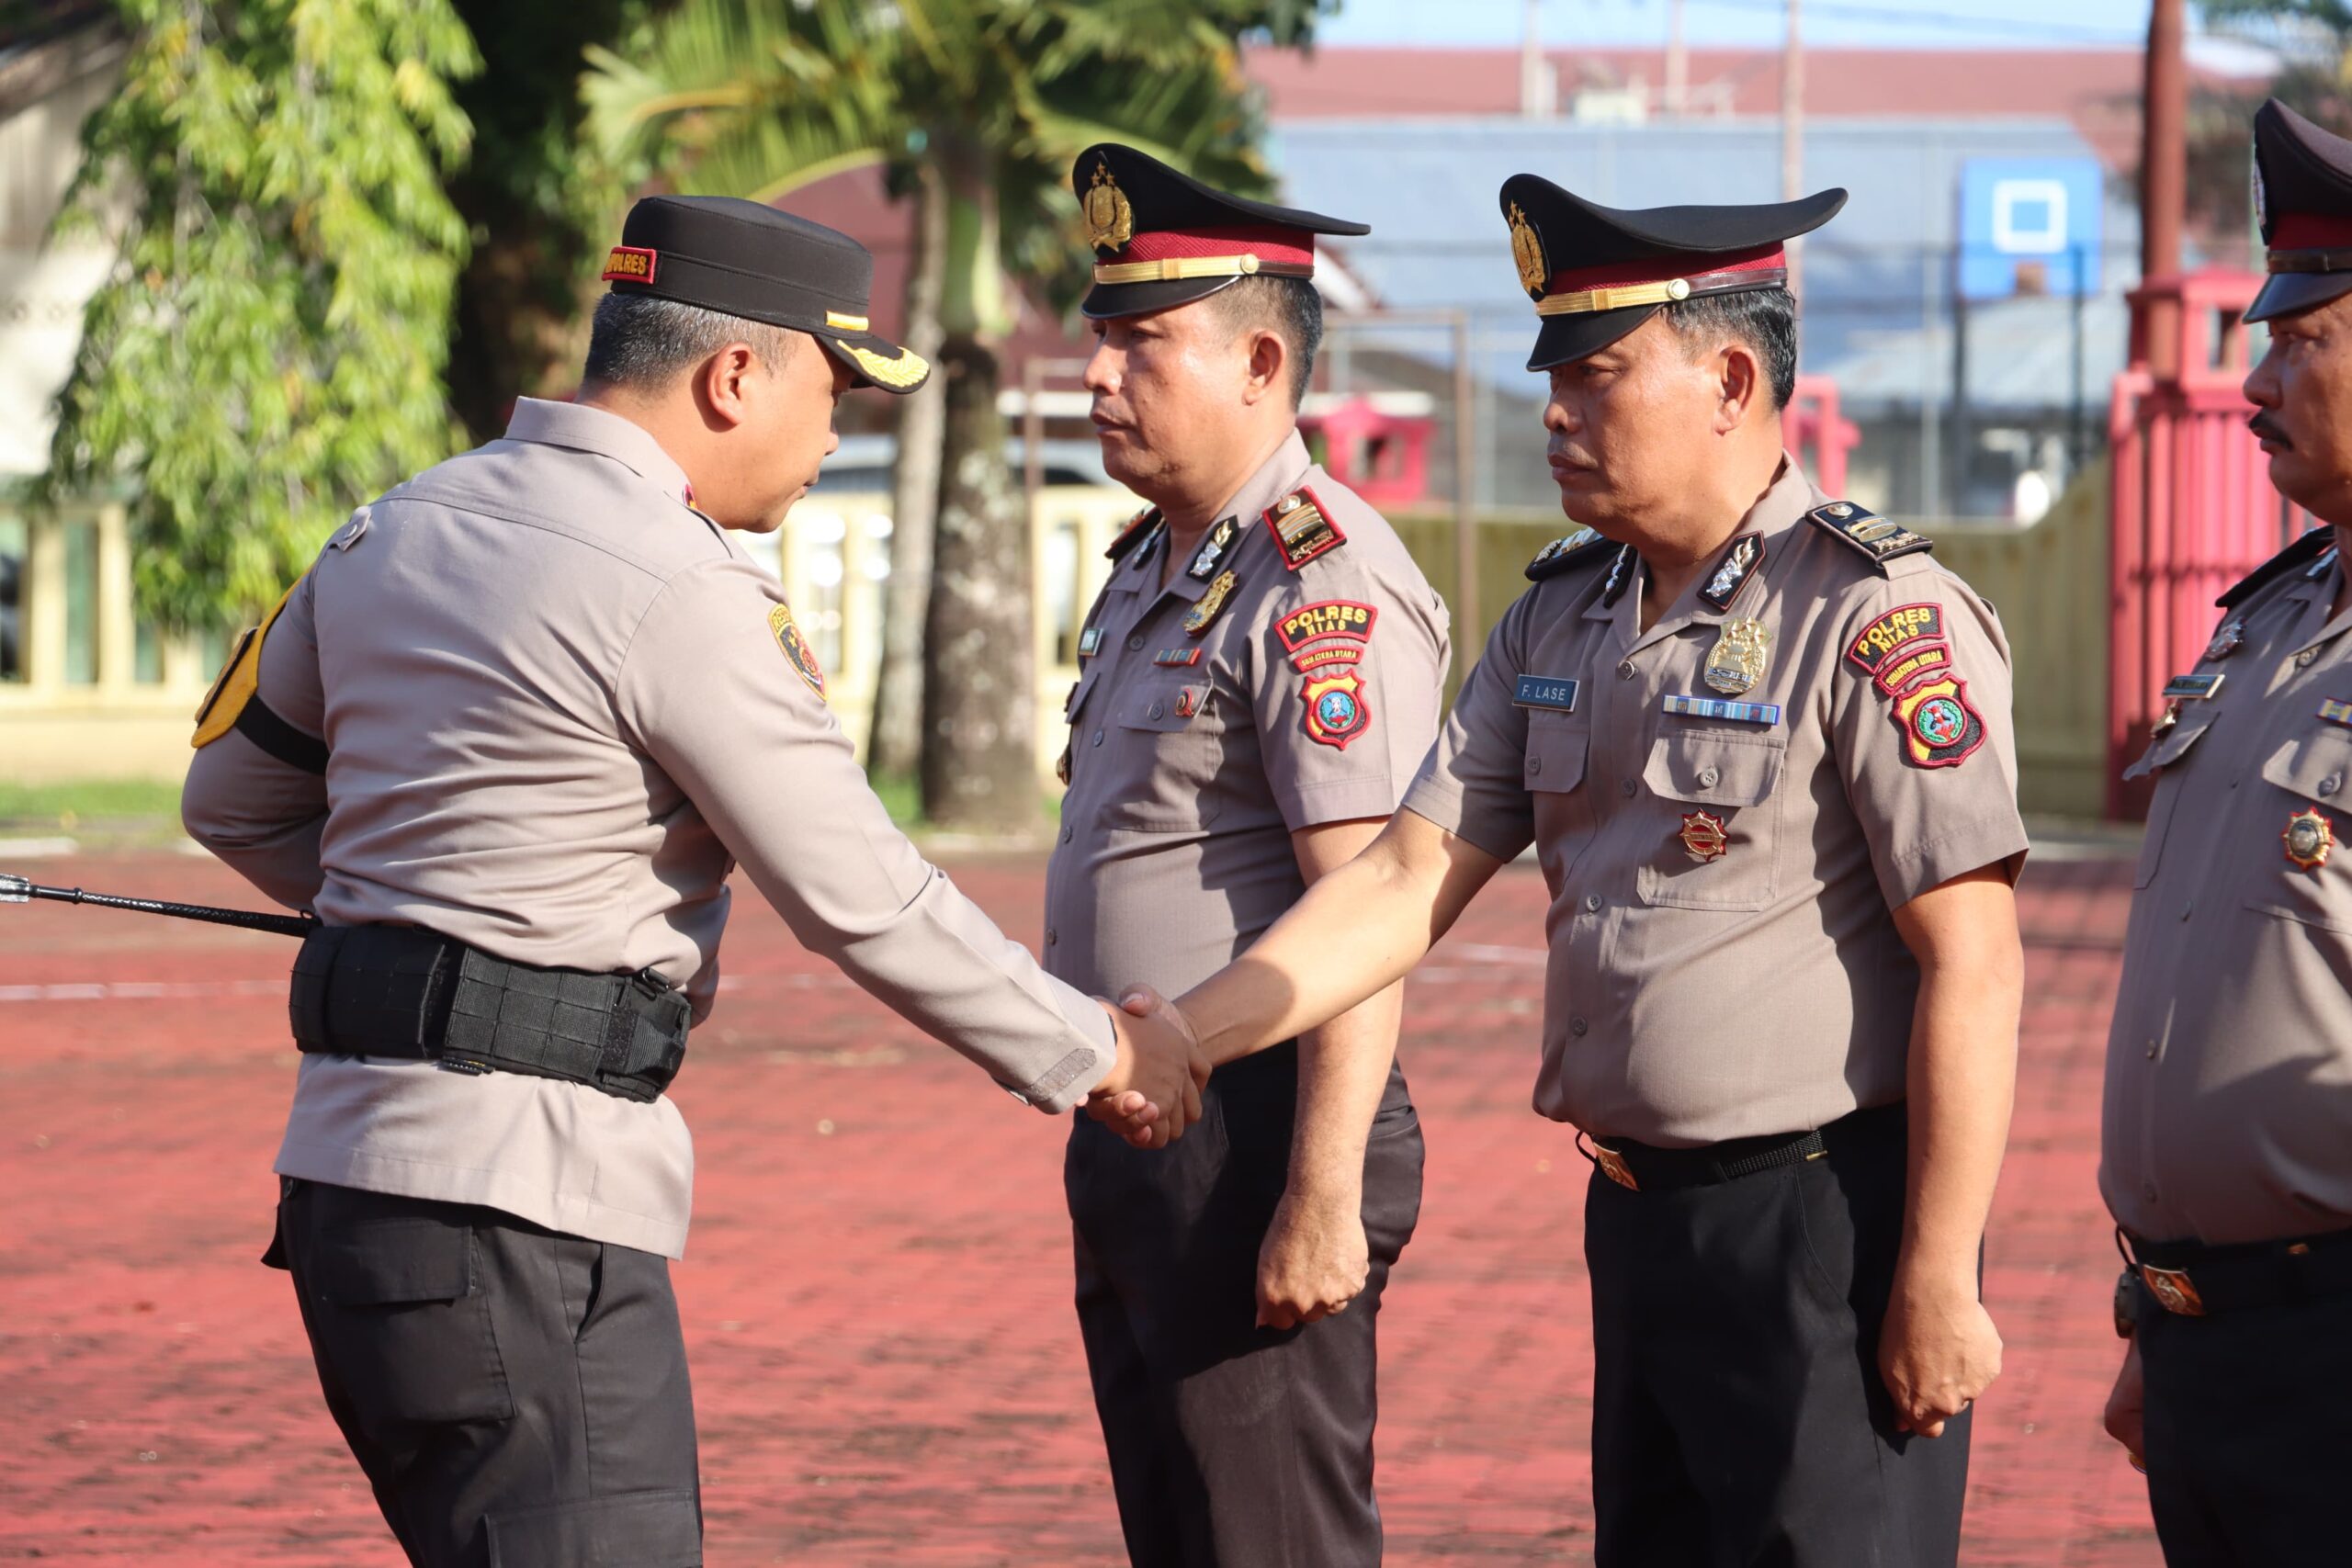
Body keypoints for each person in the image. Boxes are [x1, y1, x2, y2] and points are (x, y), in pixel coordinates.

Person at [179, 195, 1205, 1568]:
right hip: (523, 1211)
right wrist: (1102, 1054)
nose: (840, 433)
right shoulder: (676, 582)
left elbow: (231, 798)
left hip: (352, 1188)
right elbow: (863, 897)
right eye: (832, 388)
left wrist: (435, 922)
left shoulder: (400, 527)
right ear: (736, 376)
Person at [1102, 172, 2030, 1565]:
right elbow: (1407, 874)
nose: (1555, 411)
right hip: (1638, 1221)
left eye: (1597, 376)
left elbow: (1975, 958)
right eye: (1556, 377)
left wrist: (1943, 1275)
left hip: (1822, 1228)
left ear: (1727, 378)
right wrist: (1193, 1031)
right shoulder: (1561, 616)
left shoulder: (1874, 614)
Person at [1052, 144, 1451, 1567]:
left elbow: (1370, 904)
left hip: (1263, 1130)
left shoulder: (1317, 575)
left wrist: (1321, 1195)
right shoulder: (1158, 563)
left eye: (1140, 342)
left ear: (1260, 361)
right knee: (1185, 1533)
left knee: (1271, 1540)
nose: (1098, 374)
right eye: (1101, 337)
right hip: (1148, 1128)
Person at [2098, 97, 2352, 1567]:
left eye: (2301, 339)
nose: (2254, 383)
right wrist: (2166, 1315)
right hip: (2215, 1345)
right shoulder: (2273, 624)